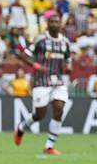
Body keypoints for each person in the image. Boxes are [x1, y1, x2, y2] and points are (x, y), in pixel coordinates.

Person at [13, 13, 72, 155]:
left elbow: (68, 58)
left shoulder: (65, 42)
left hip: (58, 81)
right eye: (52, 22)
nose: (54, 24)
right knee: (40, 114)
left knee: (59, 108)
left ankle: (49, 146)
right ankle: (21, 128)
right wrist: (36, 66)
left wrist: (69, 66)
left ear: (60, 24)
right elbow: (23, 54)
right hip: (41, 81)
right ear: (47, 24)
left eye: (57, 22)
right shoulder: (41, 39)